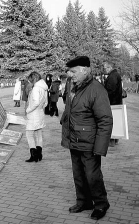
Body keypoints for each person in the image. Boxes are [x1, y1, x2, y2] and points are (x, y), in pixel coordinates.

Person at [61, 56, 113, 220]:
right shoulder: (72, 85)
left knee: (92, 176)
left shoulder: (96, 89)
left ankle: (101, 204)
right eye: (69, 71)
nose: (70, 74)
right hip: (74, 139)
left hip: (89, 143)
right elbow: (69, 107)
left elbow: (105, 120)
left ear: (85, 70)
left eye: (73, 71)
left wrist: (100, 148)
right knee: (78, 174)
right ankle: (83, 201)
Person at [25, 71, 48, 162]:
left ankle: (34, 155)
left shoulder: (36, 89)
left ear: (33, 79)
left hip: (33, 114)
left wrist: (28, 110)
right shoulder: (44, 88)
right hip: (40, 113)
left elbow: (36, 102)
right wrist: (40, 108)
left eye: (30, 80)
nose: (30, 82)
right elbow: (45, 102)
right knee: (39, 134)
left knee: (29, 135)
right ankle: (39, 154)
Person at [103, 61, 123, 147]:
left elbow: (110, 91)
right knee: (115, 121)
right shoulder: (115, 75)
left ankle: (112, 140)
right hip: (115, 102)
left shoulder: (112, 76)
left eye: (104, 68)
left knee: (111, 122)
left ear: (109, 67)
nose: (104, 70)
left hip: (112, 103)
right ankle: (114, 140)